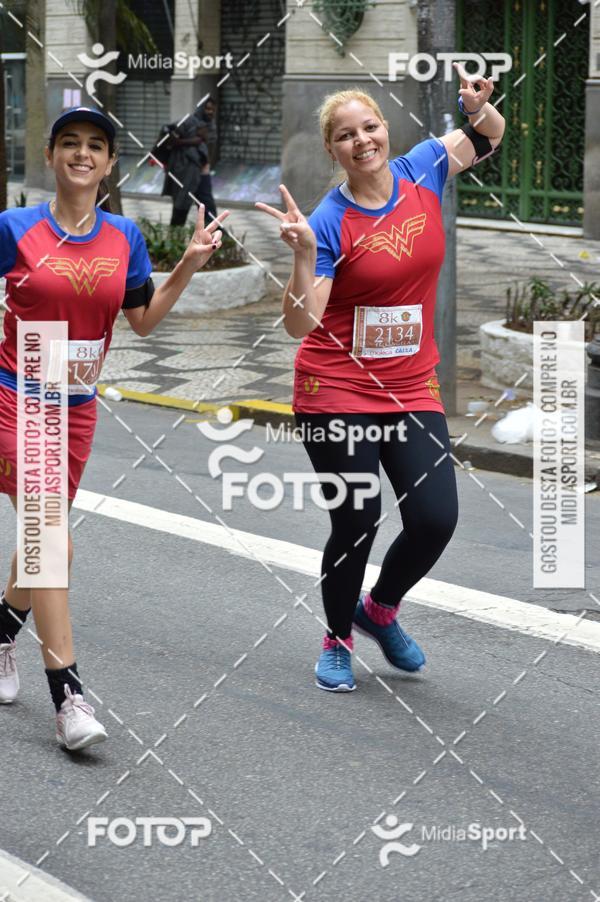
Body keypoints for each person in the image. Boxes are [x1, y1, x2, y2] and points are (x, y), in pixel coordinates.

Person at [257, 66, 505, 691]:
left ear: (385, 129)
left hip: (411, 384)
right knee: (358, 519)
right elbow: (300, 323)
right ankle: (338, 637)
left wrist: (478, 110)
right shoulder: (329, 221)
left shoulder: (425, 167)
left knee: (435, 518)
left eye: (369, 127)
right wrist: (303, 254)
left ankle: (380, 609)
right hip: (336, 386)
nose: (361, 140)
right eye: (346, 135)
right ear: (332, 150)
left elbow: (491, 137)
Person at [0, 106, 228, 748]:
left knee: (46, 542)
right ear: (51, 155)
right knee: (50, 540)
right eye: (69, 143)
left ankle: (1, 634)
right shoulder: (14, 228)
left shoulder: (124, 236)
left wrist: (188, 264)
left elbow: (143, 320)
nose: (82, 153)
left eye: (95, 145)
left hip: (76, 409)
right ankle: (69, 698)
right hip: (18, 398)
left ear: (108, 163)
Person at [163, 98, 218, 227]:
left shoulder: (211, 126)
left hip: (203, 171)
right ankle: (176, 234)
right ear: (201, 109)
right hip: (185, 170)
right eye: (207, 108)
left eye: (212, 109)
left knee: (207, 204)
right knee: (181, 203)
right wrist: (193, 141)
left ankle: (213, 232)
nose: (210, 112)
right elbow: (169, 138)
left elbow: (209, 146)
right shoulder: (188, 122)